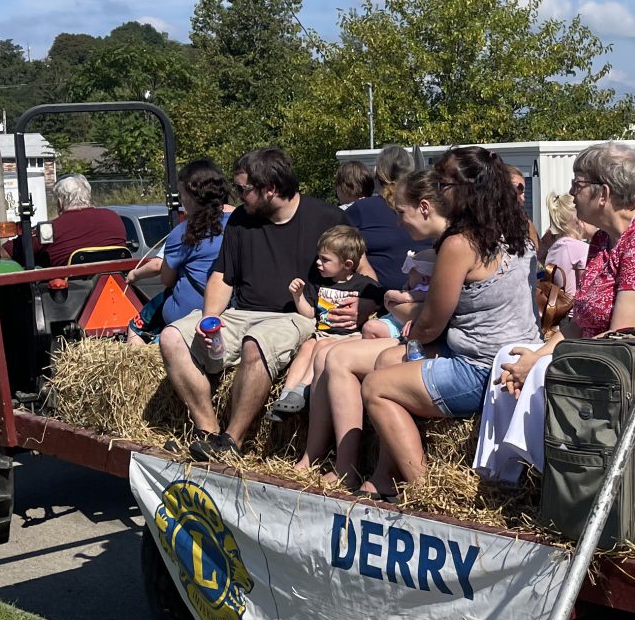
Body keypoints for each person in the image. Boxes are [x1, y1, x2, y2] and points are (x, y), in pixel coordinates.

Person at [476, 142, 635, 481]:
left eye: (578, 183)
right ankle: (503, 475)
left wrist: (543, 358)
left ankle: (551, 480)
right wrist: (532, 356)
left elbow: (624, 335)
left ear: (603, 193)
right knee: (508, 356)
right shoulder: (606, 238)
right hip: (608, 347)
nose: (572, 193)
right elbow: (581, 322)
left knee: (547, 367)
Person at [357, 147, 538, 497]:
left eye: (442, 184)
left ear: (465, 189)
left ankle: (422, 489)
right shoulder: (522, 228)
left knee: (375, 387)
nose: (437, 192)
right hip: (518, 354)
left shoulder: (459, 243)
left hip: (478, 368)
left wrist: (410, 333)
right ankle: (383, 477)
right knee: (387, 361)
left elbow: (431, 325)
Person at [170, 148, 338, 457]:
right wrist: (209, 321)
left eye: (243, 189)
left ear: (270, 189)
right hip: (242, 313)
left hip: (295, 317)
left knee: (254, 342)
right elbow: (222, 276)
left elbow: (363, 270)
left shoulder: (327, 218)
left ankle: (232, 440)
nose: (237, 195)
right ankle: (208, 430)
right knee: (172, 337)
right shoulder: (238, 222)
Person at [299, 171, 447, 482]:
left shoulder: (452, 246)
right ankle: (323, 457)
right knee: (327, 351)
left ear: (424, 207)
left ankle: (352, 468)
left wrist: (396, 304)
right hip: (417, 332)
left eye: (401, 213)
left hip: (438, 343)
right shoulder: (439, 244)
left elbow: (438, 314)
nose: (398, 223)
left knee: (339, 356)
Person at [131, 159, 232, 419]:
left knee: (136, 325)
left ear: (189, 194)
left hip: (185, 317)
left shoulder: (183, 232)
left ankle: (134, 363)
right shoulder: (237, 224)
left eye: (181, 193)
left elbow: (166, 278)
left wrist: (134, 275)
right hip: (230, 311)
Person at [266, 225, 384, 420]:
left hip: (349, 337)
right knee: (307, 347)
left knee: (320, 346)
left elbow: (380, 300)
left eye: (325, 260)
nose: (318, 263)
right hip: (323, 333)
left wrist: (368, 306)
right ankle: (286, 395)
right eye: (319, 257)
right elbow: (310, 313)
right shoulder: (319, 283)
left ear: (347, 264)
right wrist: (297, 296)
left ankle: (304, 389)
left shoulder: (364, 284)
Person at [346, 145, 414, 300]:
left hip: (376, 302)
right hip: (422, 299)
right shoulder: (424, 209)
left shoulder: (361, 209)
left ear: (376, 173)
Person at [37, 173, 129, 266]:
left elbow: (28, 252)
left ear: (60, 203)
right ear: (88, 196)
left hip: (71, 279)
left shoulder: (52, 228)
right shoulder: (113, 217)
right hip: (116, 277)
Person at [541, 191, 593, 296]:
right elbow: (585, 292)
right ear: (579, 220)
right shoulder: (581, 249)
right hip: (575, 311)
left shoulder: (555, 248)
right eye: (590, 216)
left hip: (560, 311)